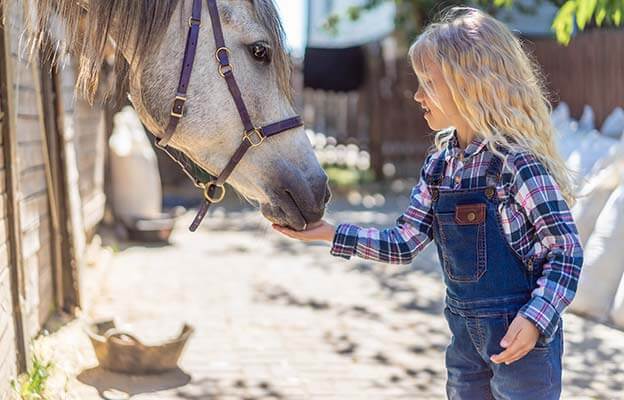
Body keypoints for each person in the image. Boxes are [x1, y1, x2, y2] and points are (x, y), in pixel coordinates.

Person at [272, 6, 584, 400]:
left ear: (469, 83)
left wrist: (536, 319)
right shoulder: (440, 166)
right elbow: (405, 243)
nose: (417, 95)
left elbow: (566, 252)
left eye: (428, 84)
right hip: (464, 345)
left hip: (521, 343)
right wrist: (329, 233)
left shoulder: (516, 163)